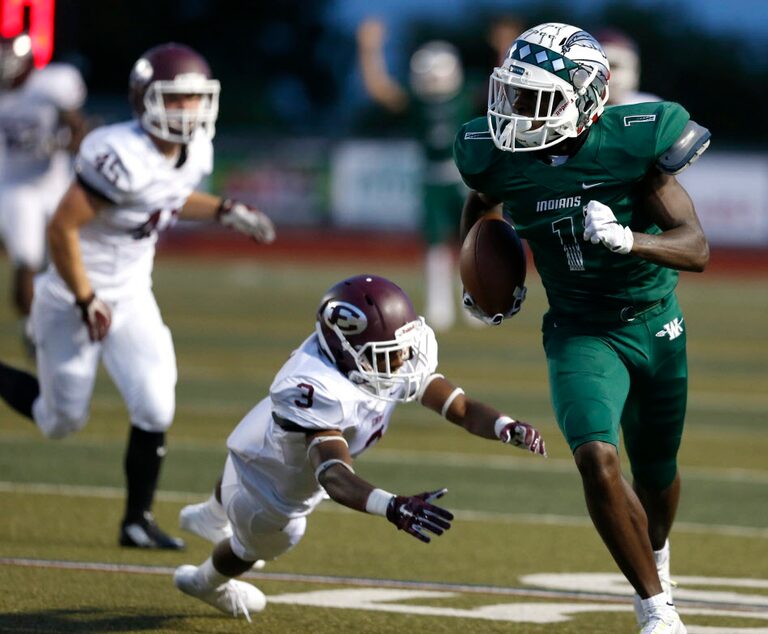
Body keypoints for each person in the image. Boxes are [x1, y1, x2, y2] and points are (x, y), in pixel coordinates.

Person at [453, 22, 711, 634]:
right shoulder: (497, 154)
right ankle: (656, 611)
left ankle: (658, 553)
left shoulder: (632, 144)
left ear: (585, 101)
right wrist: (483, 273)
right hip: (579, 329)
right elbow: (482, 203)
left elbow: (696, 247)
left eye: (532, 100)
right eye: (510, 96)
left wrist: (631, 240)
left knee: (657, 473)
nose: (514, 114)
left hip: (654, 324)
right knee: (597, 458)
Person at [0, 42, 275, 550]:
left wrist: (222, 209)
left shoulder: (197, 150)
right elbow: (62, 229)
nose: (188, 111)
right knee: (59, 421)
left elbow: (167, 193)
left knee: (154, 404)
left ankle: (135, 521)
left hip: (131, 294)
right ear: (145, 101)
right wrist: (86, 299)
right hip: (71, 294)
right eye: (176, 99)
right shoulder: (117, 153)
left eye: (195, 99)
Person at [173, 274, 546, 619]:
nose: (403, 360)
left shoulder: (369, 358)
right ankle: (205, 582)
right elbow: (333, 474)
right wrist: (392, 505)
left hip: (262, 432)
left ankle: (210, 514)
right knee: (257, 547)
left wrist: (504, 425)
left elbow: (459, 407)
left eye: (403, 347)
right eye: (390, 352)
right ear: (349, 351)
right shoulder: (320, 389)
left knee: (238, 465)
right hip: (272, 487)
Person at [356, 18, 473, 332]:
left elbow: (503, 89)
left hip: (463, 176)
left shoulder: (466, 95)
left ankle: (476, 300)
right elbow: (380, 89)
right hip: (431, 177)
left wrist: (504, 48)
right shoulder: (416, 99)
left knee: (472, 240)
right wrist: (369, 48)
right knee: (434, 244)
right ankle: (439, 306)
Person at [0, 32, 89, 355]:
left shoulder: (52, 85)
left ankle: (77, 313)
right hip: (16, 185)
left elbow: (79, 129)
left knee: (76, 254)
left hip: (54, 184)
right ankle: (31, 326)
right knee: (26, 258)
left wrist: (63, 142)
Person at [596, 28, 660, 105]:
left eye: (613, 66)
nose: (604, 74)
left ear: (635, 71)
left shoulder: (654, 109)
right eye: (596, 67)